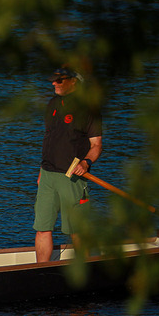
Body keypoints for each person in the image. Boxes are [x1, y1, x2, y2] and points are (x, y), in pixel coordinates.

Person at [34, 65, 103, 263]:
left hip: (72, 176)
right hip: (47, 175)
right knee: (42, 228)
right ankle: (40, 271)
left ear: (74, 81)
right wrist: (41, 170)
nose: (54, 83)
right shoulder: (52, 104)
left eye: (60, 80)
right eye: (54, 79)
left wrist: (86, 162)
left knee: (77, 230)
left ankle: (87, 269)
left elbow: (96, 145)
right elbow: (49, 138)